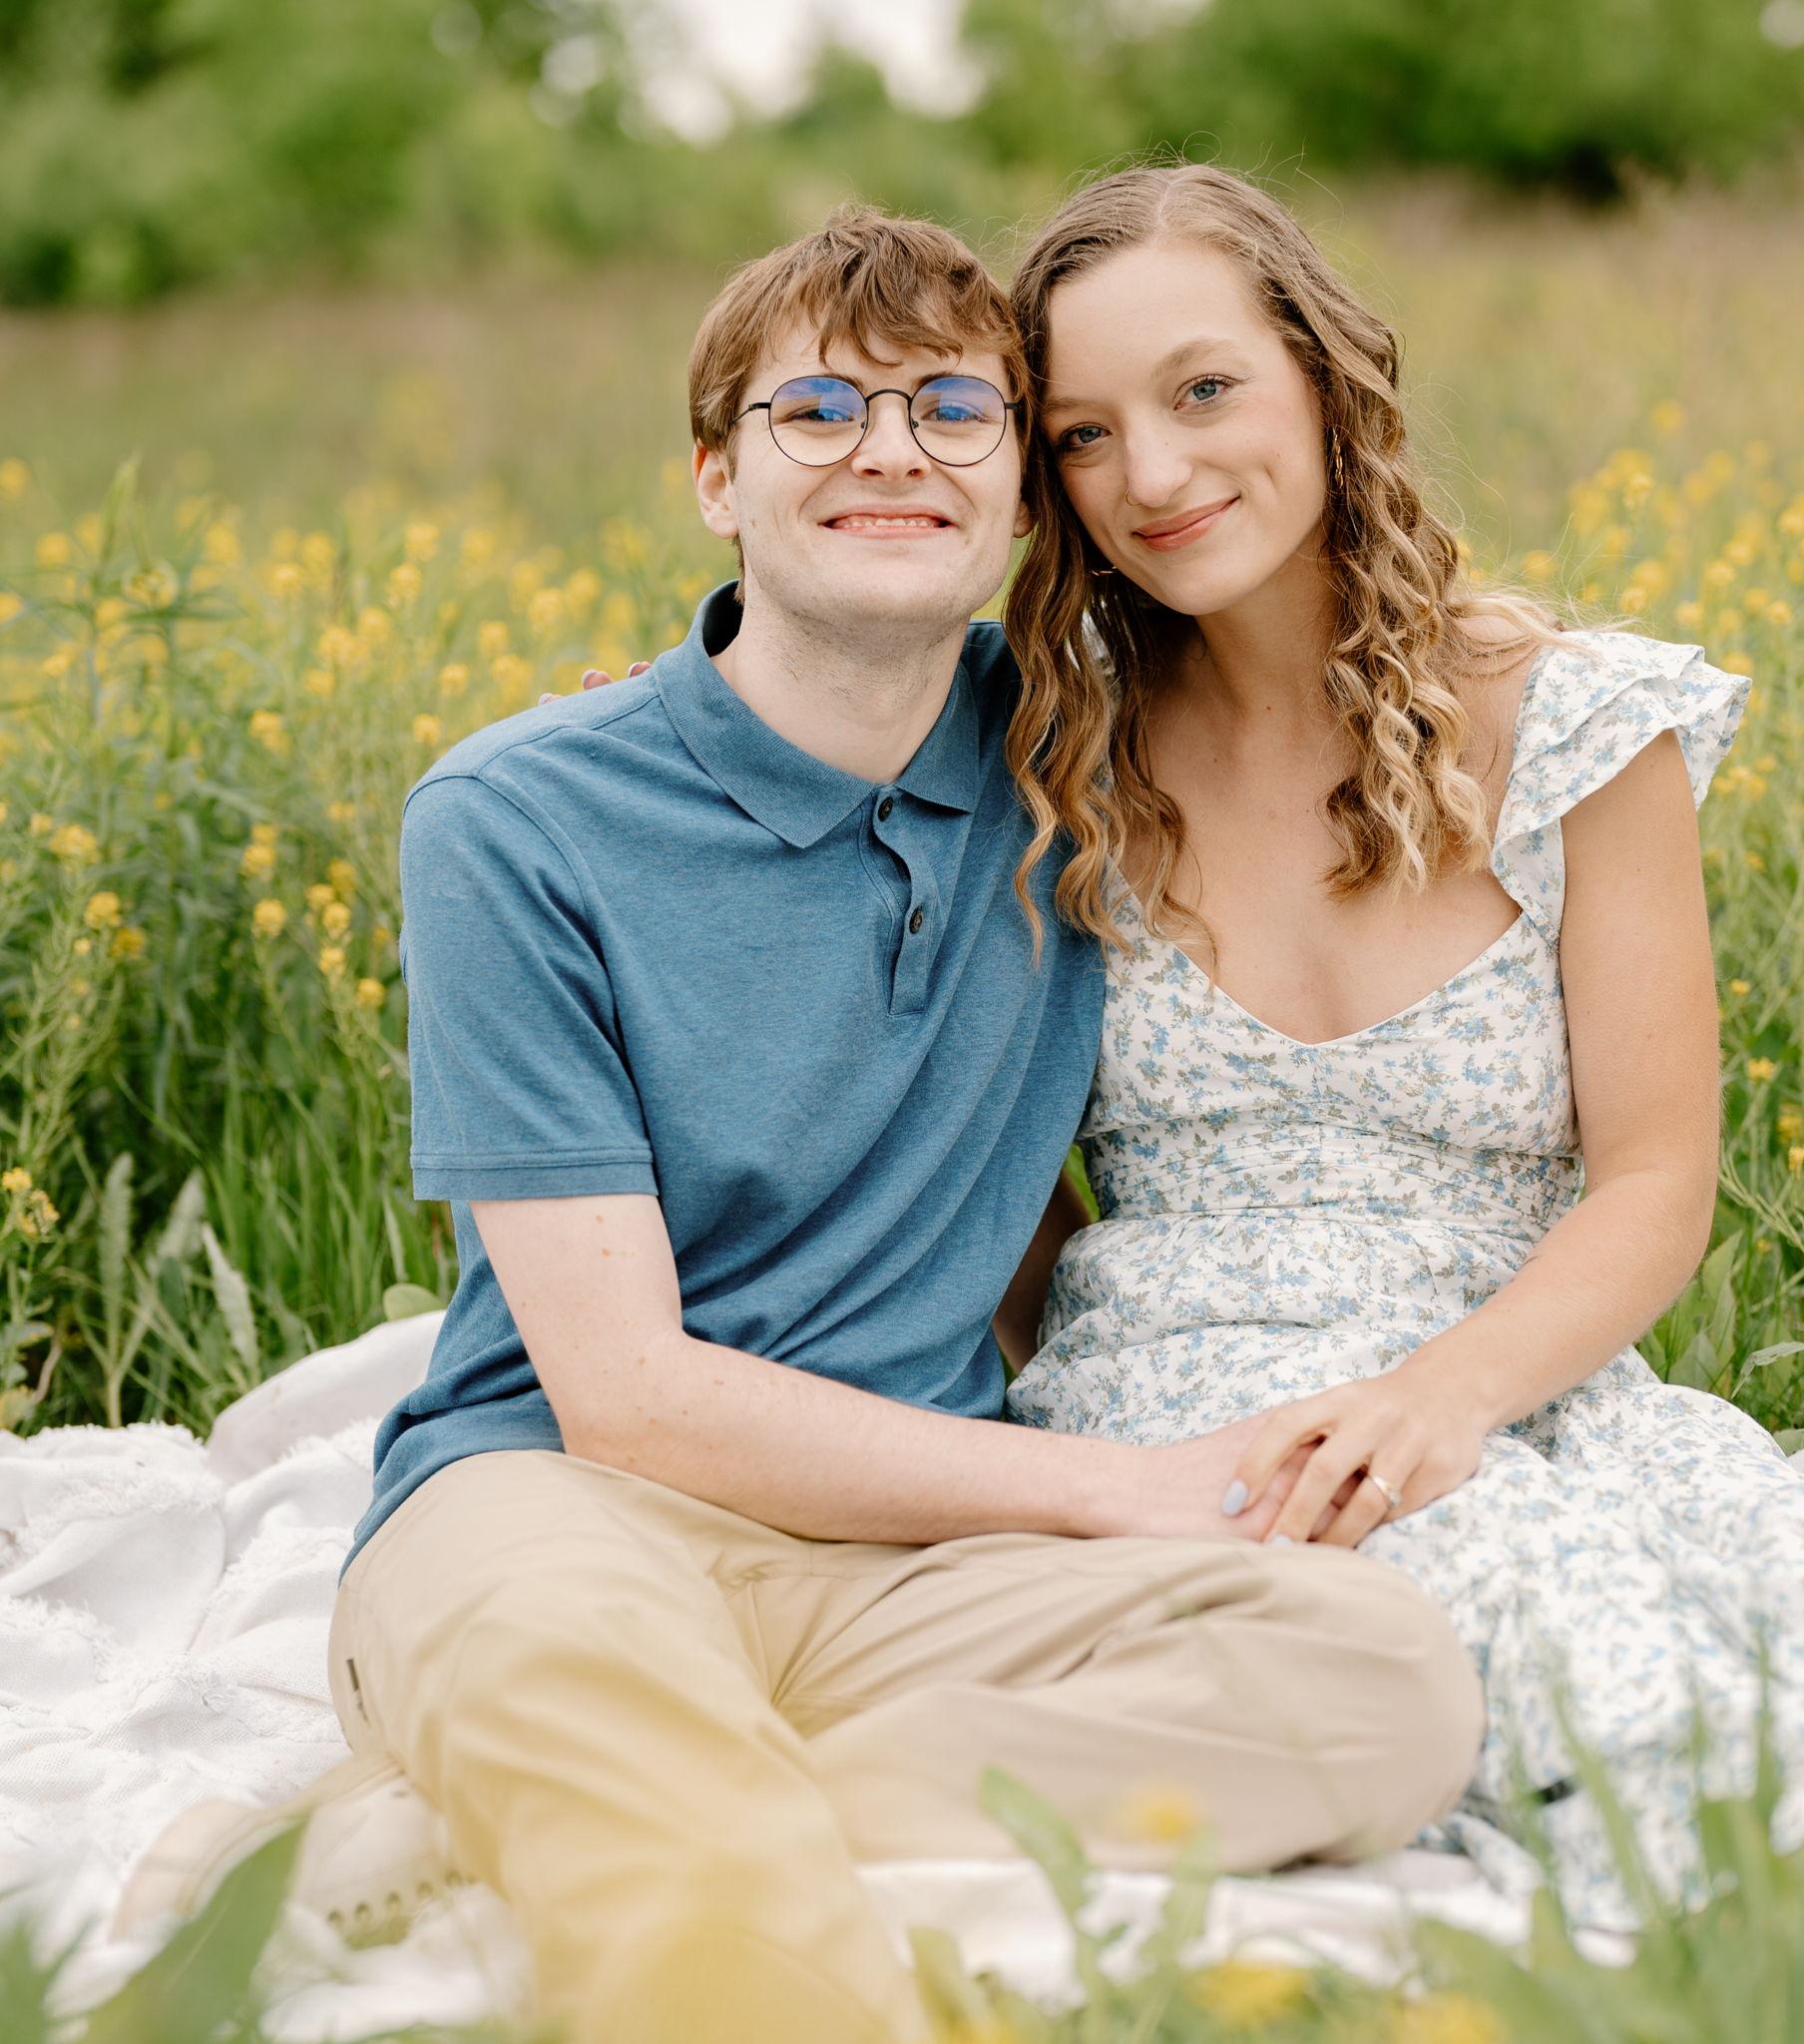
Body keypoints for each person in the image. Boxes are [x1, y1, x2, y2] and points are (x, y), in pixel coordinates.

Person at [111, 206, 1484, 2044]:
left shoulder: (1081, 763)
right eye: (819, 410)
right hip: (565, 1504)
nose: (890, 452)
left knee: (1382, 1685)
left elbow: (1351, 670)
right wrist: (1119, 1489)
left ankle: (436, 1833)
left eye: (954, 411)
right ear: (716, 478)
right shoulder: (517, 821)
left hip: (918, 1552)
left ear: (1023, 496)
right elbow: (628, 1396)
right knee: (586, 1678)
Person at [982, 162, 1804, 2041]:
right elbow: (940, 1136)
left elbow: (1654, 1180)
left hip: (1526, 1382)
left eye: (1205, 390)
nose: (1151, 472)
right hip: (1222, 1409)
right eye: (1083, 432)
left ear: (1324, 380)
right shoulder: (1038, 760)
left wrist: (1451, 1394)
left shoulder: (1572, 719)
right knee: (1669, 1725)